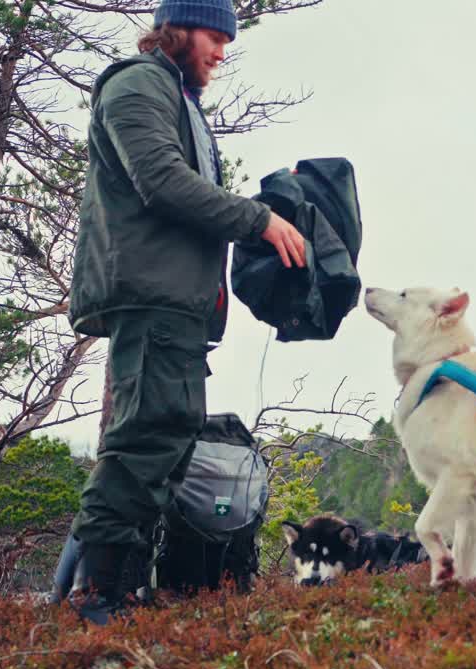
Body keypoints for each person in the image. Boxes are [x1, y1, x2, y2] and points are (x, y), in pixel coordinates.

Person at [65, 0, 306, 624]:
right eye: (211, 35)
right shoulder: (138, 82)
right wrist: (259, 219)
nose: (222, 51)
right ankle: (100, 599)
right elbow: (162, 180)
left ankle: (119, 588)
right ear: (175, 30)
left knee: (166, 439)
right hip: (153, 298)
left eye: (228, 39)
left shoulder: (176, 96)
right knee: (147, 440)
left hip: (175, 304)